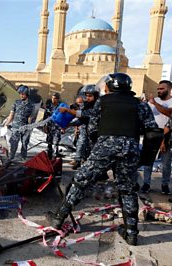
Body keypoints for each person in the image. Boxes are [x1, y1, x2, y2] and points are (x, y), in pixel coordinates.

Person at [47, 73, 158, 246]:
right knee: (127, 190)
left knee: (80, 181)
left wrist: (98, 147)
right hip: (129, 150)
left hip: (104, 148)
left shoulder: (102, 102)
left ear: (112, 86)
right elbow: (152, 131)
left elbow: (92, 128)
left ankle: (58, 218)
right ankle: (131, 234)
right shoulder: (141, 105)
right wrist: (144, 156)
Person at [140, 80, 172, 195]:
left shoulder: (168, 101)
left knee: (166, 163)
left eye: (162, 89)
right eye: (158, 89)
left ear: (168, 89)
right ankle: (146, 184)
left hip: (166, 134)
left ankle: (164, 185)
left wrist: (154, 103)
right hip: (151, 134)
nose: (159, 91)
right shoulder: (154, 101)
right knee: (148, 161)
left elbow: (169, 113)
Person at [4, 85, 35, 160]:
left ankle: (23, 158)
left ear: (27, 94)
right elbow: (11, 114)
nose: (21, 95)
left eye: (23, 94)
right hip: (16, 127)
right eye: (20, 93)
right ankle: (11, 158)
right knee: (14, 143)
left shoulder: (31, 105)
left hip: (25, 128)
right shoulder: (16, 103)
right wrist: (6, 123)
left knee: (24, 144)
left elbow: (31, 117)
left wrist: (29, 127)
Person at [43, 92, 62, 157]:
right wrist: (44, 126)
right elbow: (45, 117)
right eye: (53, 98)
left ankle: (55, 155)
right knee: (49, 142)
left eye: (55, 98)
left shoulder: (61, 107)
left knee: (56, 142)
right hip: (49, 127)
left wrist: (63, 127)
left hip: (57, 127)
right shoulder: (48, 107)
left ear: (58, 99)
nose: (54, 99)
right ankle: (49, 156)